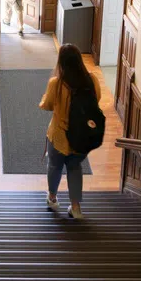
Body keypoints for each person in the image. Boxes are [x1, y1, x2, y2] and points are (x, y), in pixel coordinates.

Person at [39, 43, 101, 219]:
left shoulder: (56, 84)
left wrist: (44, 99)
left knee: (55, 166)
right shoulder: (92, 80)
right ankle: (75, 207)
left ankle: (52, 198)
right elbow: (97, 100)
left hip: (58, 136)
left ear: (62, 63)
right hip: (81, 136)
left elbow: (47, 105)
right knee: (75, 168)